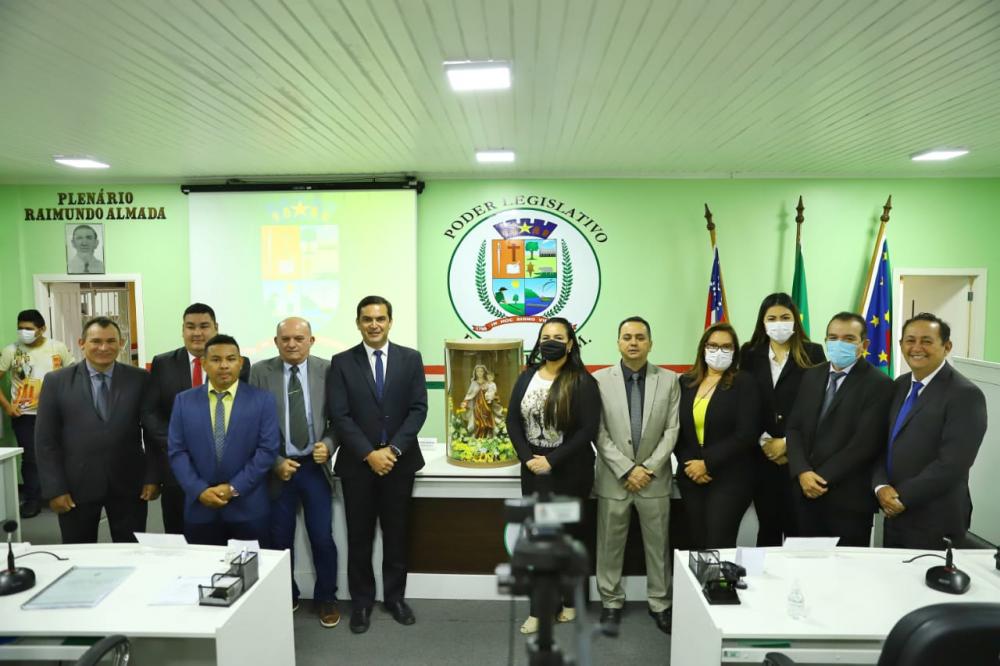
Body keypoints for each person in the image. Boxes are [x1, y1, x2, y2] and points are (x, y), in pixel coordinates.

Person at [327, 296, 428, 634]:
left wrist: (394, 449)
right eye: (367, 319)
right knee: (360, 537)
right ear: (358, 323)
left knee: (397, 535)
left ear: (390, 321)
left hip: (399, 464)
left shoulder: (410, 359)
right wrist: (369, 453)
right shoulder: (341, 362)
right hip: (359, 465)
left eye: (380, 318)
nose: (374, 324)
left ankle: (395, 598)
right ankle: (362, 603)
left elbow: (418, 409)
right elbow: (339, 415)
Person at [506, 316, 600, 635]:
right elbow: (512, 421)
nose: (551, 341)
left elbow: (587, 429)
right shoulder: (527, 376)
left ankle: (572, 602)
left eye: (558, 337)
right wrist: (527, 457)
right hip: (533, 472)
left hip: (569, 472)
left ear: (570, 343)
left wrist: (551, 460)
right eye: (545, 336)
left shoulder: (583, 381)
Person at [35, 317, 160, 543]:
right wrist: (54, 489)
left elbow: (151, 433)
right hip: (75, 486)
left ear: (121, 343)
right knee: (79, 552)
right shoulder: (57, 381)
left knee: (132, 552)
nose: (104, 347)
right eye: (96, 341)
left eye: (111, 341)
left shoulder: (139, 379)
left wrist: (152, 476)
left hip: (129, 483)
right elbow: (46, 441)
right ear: (82, 343)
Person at [250, 317, 340, 628]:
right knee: (278, 538)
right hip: (278, 469)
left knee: (321, 537)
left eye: (299, 338)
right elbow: (252, 423)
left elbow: (339, 419)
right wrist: (275, 461)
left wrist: (328, 444)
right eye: (285, 338)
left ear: (311, 341)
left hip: (314, 467)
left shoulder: (328, 371)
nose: (292, 344)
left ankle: (326, 597)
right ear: (276, 342)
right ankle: (285, 594)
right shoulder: (259, 372)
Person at [593, 316, 679, 634]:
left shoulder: (670, 380)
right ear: (618, 342)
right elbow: (598, 431)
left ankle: (660, 603)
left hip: (654, 479)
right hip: (614, 478)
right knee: (609, 544)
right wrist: (627, 468)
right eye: (627, 337)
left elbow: (673, 429)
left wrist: (648, 468)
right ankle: (611, 602)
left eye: (640, 337)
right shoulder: (599, 380)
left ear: (650, 343)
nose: (633, 342)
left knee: (658, 547)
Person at [874, 313, 988, 549]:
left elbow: (953, 464)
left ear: (946, 347)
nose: (917, 348)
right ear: (900, 345)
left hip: (935, 517)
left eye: (926, 341)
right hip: (893, 512)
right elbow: (882, 444)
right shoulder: (899, 384)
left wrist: (901, 497)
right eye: (910, 340)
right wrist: (881, 486)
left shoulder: (965, 395)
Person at [785, 313, 893, 546]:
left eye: (848, 338)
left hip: (847, 502)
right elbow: (793, 428)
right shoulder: (812, 375)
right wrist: (803, 472)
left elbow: (864, 444)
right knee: (801, 570)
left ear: (864, 345)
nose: (839, 343)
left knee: (845, 575)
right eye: (833, 337)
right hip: (803, 495)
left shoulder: (879, 384)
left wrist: (819, 480)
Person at [167, 334, 279, 545]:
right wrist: (199, 490)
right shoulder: (184, 401)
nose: (224, 365)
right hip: (200, 508)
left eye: (230, 359)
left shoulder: (262, 400)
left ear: (241, 363)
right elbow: (177, 451)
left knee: (254, 575)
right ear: (204, 363)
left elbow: (267, 450)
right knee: (202, 574)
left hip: (248, 508)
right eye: (216, 360)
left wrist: (233, 488)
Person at [149, 303, 250, 535]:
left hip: (223, 471)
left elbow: (242, 415)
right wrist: (179, 445)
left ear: (216, 328)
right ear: (182, 330)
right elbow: (152, 414)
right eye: (190, 326)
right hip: (177, 470)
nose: (197, 333)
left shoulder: (238, 365)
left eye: (204, 326)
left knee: (221, 541)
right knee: (178, 537)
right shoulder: (163, 363)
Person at [740, 293, 825, 546]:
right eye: (772, 318)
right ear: (763, 322)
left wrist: (787, 443)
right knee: (768, 529)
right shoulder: (749, 353)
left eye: (785, 317)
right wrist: (766, 442)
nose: (779, 323)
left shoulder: (813, 352)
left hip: (800, 458)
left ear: (795, 321)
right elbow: (743, 403)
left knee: (799, 529)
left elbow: (817, 406)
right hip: (761, 457)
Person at [675, 323, 759, 549]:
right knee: (696, 542)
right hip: (691, 476)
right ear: (703, 348)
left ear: (734, 351)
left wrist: (707, 463)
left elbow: (746, 434)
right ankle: (698, 586)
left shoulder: (744, 383)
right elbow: (675, 430)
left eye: (725, 347)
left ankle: (719, 586)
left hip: (730, 477)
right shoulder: (685, 382)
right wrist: (689, 465)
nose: (718, 351)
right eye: (712, 345)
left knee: (718, 542)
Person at [0, 309, 74, 518]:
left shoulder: (57, 347)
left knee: (62, 454)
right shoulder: (11, 351)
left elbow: (73, 375)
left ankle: (62, 494)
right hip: (25, 415)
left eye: (29, 329)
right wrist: (7, 406)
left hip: (58, 413)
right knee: (31, 459)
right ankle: (32, 499)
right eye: (20, 328)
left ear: (42, 329)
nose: (24, 332)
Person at [460, 364, 503, 438]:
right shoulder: (474, 383)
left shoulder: (488, 382)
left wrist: (494, 397)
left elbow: (494, 392)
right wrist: (465, 402)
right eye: (478, 371)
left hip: (487, 405)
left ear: (484, 372)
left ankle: (488, 436)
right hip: (477, 406)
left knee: (487, 421)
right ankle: (478, 437)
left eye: (481, 371)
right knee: (479, 423)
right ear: (475, 373)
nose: (479, 373)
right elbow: (469, 394)